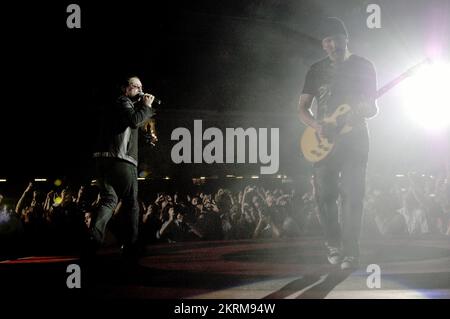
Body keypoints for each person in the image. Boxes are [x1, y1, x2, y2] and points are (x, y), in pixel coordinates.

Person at [298, 17, 378, 270]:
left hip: (355, 139)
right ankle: (333, 245)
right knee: (325, 195)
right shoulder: (316, 70)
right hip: (325, 139)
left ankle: (351, 251)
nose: (333, 44)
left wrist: (364, 109)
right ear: (323, 44)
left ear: (346, 39)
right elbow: (301, 108)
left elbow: (373, 107)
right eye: (328, 40)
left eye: (337, 39)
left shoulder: (364, 66)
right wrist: (317, 126)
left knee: (354, 195)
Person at [89, 76, 156, 259]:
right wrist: (147, 106)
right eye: (137, 87)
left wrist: (146, 138)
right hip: (121, 161)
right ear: (126, 88)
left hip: (104, 162)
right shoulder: (123, 101)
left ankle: (93, 241)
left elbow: (129, 127)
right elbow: (135, 121)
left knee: (108, 201)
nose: (141, 91)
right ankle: (131, 245)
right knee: (131, 204)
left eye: (142, 87)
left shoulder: (117, 105)